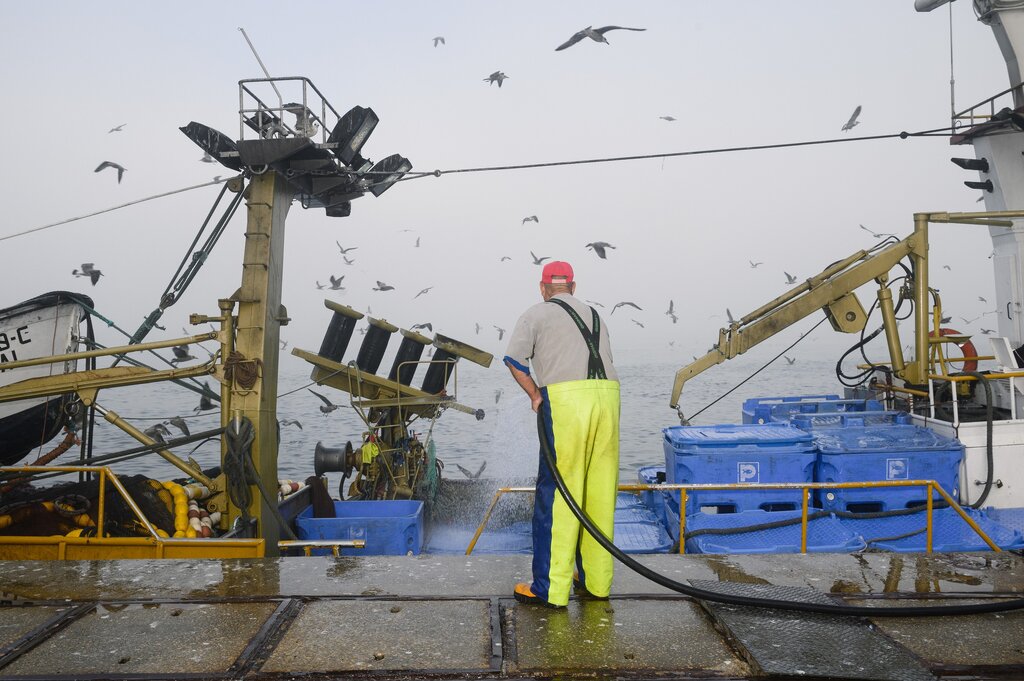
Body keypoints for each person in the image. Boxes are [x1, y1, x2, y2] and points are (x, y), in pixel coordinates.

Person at [503, 260, 620, 607]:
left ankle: (550, 589)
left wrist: (536, 396)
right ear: (573, 286)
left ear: (543, 287)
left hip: (568, 402)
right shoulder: (596, 315)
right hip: (609, 400)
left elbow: (514, 359)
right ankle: (596, 584)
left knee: (557, 495)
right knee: (598, 495)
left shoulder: (536, 314)